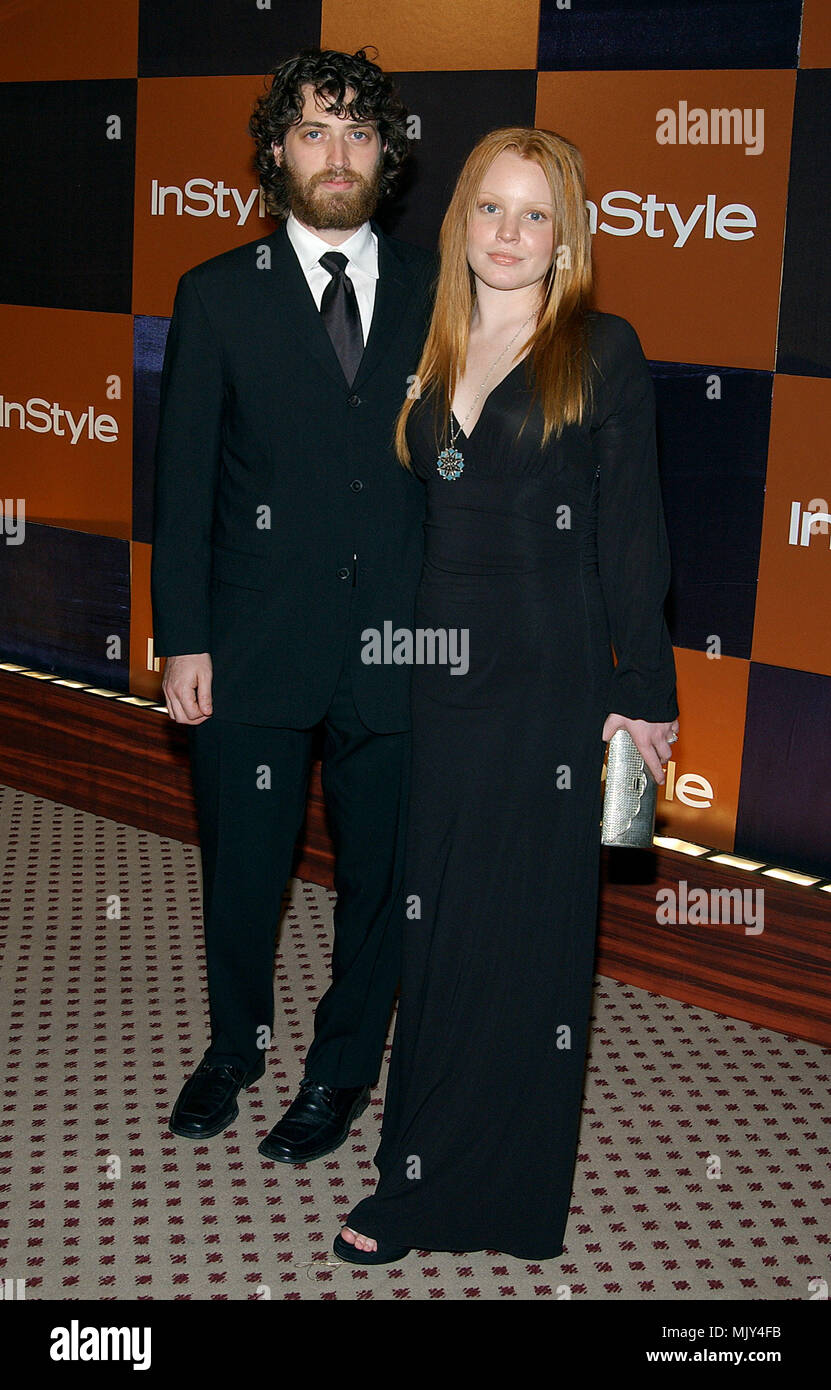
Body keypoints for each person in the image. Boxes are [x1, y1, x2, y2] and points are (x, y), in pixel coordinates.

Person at [333, 127, 680, 1264]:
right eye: (494, 208)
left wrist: (644, 695)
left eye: (538, 214)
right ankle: (417, 1180)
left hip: (549, 686)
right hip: (443, 678)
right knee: (437, 933)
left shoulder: (603, 349)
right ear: (461, 220)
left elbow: (633, 539)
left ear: (567, 233)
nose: (513, 234)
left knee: (528, 947)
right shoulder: (428, 341)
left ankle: (512, 1197)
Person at [151, 48, 435, 1162]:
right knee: (243, 870)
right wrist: (186, 639)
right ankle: (234, 1044)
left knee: (382, 882)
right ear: (276, 150)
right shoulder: (218, 294)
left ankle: (340, 1068)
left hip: (399, 648)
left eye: (359, 132)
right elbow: (181, 487)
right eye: (314, 131)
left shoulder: (437, 288)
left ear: (388, 155)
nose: (337, 154)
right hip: (253, 646)